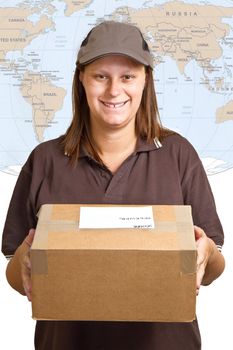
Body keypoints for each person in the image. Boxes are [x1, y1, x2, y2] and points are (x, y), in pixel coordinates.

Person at [1, 20, 225, 350]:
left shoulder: (179, 156)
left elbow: (212, 265)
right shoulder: (44, 161)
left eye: (127, 77)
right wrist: (25, 258)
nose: (113, 91)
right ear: (81, 79)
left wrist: (206, 252)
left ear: (146, 79)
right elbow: (16, 274)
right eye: (100, 76)